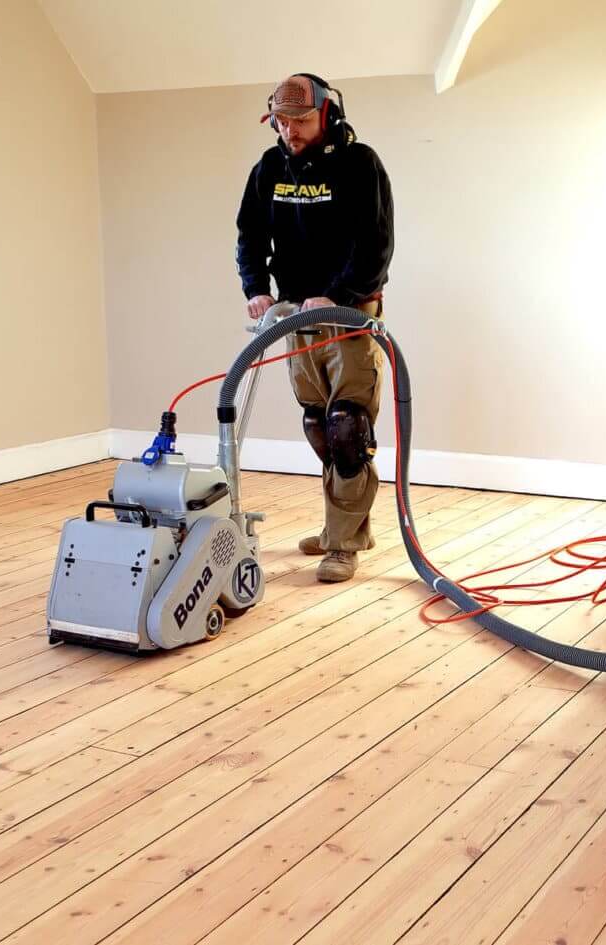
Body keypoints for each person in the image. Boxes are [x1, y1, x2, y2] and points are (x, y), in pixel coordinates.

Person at [236, 73, 394, 583]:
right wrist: (256, 288)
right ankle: (342, 529)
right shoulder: (269, 168)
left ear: (327, 114)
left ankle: (344, 544)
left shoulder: (359, 164)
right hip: (296, 317)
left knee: (348, 426)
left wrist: (339, 296)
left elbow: (375, 245)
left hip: (349, 316)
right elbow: (249, 234)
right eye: (281, 121)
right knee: (319, 427)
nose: (289, 130)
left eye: (299, 120)